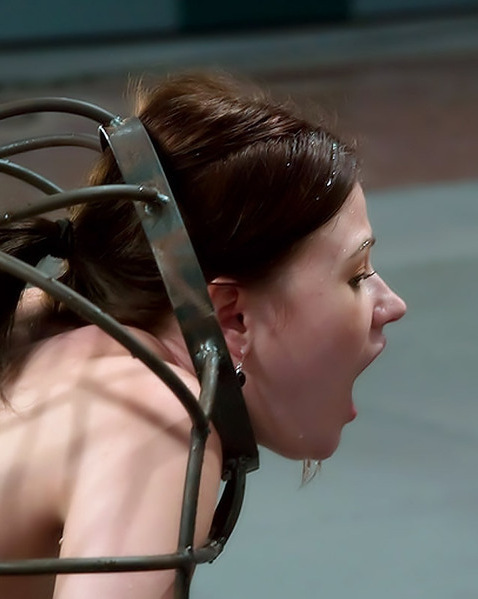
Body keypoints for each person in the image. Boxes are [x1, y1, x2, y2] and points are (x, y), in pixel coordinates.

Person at [0, 72, 406, 599]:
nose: (392, 305)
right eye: (356, 275)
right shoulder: (153, 417)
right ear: (233, 317)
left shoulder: (34, 314)